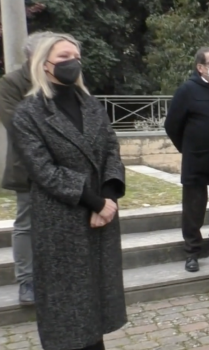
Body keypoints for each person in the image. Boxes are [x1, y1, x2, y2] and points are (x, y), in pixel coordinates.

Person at [11, 33, 127, 350]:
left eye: (75, 56)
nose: (71, 62)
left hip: (98, 221)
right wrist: (94, 202)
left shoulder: (90, 104)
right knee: (68, 317)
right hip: (61, 222)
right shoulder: (28, 113)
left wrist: (109, 198)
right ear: (44, 65)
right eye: (63, 57)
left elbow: (111, 151)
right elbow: (43, 170)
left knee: (95, 311)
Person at [164, 47, 209, 273]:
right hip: (197, 159)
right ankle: (192, 252)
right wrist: (187, 148)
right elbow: (172, 124)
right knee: (193, 208)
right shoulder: (187, 90)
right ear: (200, 68)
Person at [0, 31, 54, 305]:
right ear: (33, 56)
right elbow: (17, 125)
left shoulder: (60, 80)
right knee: (26, 224)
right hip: (28, 167)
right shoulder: (11, 83)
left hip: (63, 167)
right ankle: (26, 281)